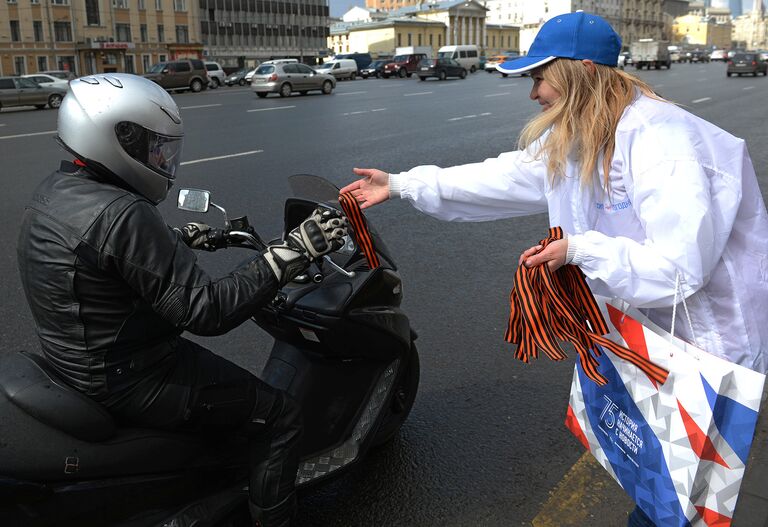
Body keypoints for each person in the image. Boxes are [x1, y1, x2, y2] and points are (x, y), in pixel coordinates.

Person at [340, 11, 768, 527]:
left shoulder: (665, 141)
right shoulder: (585, 132)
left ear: (581, 71)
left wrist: (580, 251)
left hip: (707, 346)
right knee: (657, 481)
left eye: (540, 77)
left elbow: (678, 269)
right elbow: (509, 174)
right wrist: (403, 183)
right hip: (652, 334)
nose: (534, 92)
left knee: (688, 500)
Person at [16, 73, 347, 527]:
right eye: (153, 147)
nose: (162, 159)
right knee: (280, 416)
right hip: (133, 375)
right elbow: (207, 311)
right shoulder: (123, 213)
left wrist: (177, 239)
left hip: (80, 360)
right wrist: (293, 252)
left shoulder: (56, 191)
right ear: (115, 138)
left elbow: (99, 255)